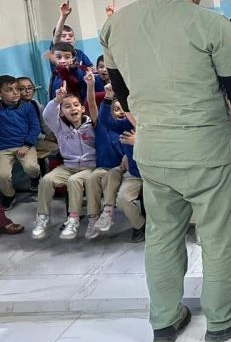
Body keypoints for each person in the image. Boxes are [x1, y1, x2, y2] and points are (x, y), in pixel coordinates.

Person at [100, 0, 231, 342]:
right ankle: (222, 319)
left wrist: (153, 125)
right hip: (206, 153)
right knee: (219, 238)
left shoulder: (116, 25)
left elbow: (122, 94)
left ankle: (165, 320)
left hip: (154, 154)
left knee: (162, 235)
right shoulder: (209, 24)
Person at [33, 79, 96, 240]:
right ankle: (42, 218)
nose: (72, 108)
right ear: (61, 113)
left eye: (75, 105)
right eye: (67, 107)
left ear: (82, 108)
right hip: (68, 166)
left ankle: (73, 219)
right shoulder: (59, 127)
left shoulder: (92, 125)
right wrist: (56, 100)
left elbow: (93, 106)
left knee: (74, 180)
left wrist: (90, 86)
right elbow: (47, 115)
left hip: (90, 167)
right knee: (46, 180)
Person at [84, 83, 132, 240]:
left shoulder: (128, 128)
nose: (119, 112)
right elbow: (91, 103)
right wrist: (90, 85)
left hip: (120, 169)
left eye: (121, 109)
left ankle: (108, 212)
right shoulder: (101, 125)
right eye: (115, 109)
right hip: (102, 166)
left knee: (112, 175)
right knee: (92, 178)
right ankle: (92, 218)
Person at [0, 75, 40, 211]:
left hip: (25, 145)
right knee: (3, 175)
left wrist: (27, 145)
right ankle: (9, 195)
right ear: (0, 93)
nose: (16, 92)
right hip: (3, 148)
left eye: (17, 89)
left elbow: (35, 127)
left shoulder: (27, 107)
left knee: (31, 168)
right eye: (9, 90)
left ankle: (35, 178)